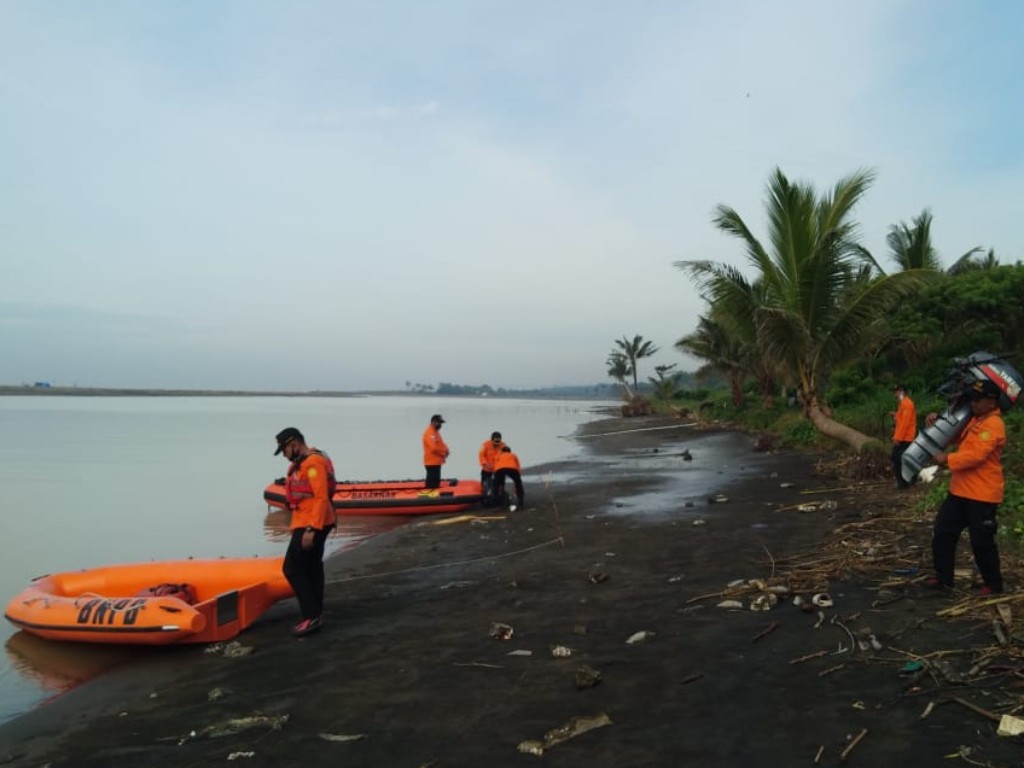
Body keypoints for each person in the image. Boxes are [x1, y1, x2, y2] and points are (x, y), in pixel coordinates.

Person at [927, 379, 1007, 594]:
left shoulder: (994, 425)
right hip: (960, 490)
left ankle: (993, 583)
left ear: (991, 402)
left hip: (982, 494)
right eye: (972, 398)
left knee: (981, 541)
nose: (973, 402)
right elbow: (956, 438)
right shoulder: (975, 421)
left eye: (978, 399)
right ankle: (944, 579)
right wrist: (937, 424)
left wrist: (946, 459)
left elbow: (976, 456)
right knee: (943, 531)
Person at [274, 427, 337, 636]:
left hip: (313, 522)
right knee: (312, 567)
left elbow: (321, 497)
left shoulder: (313, 463)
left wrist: (311, 528)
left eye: (284, 450)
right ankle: (315, 614)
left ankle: (311, 616)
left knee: (292, 569)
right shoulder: (302, 463)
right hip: (309, 520)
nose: (284, 455)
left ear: (294, 444)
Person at [890, 384, 917, 489]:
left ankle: (903, 483)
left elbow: (904, 424)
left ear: (901, 391)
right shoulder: (903, 404)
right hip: (904, 437)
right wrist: (895, 415)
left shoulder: (907, 404)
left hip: (905, 438)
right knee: (902, 459)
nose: (894, 394)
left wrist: (897, 438)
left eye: (896, 391)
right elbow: (902, 419)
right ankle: (910, 480)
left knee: (897, 459)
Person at [493, 445, 525, 510]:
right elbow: (518, 466)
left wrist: (497, 478)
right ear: (509, 451)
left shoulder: (498, 456)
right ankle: (520, 503)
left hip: (499, 469)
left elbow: (495, 466)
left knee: (497, 486)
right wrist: (517, 478)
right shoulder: (513, 455)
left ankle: (497, 504)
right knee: (518, 484)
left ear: (502, 451)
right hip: (512, 469)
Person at [422, 414, 449, 489]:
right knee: (431, 484)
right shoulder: (429, 433)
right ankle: (429, 499)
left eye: (441, 423)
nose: (440, 425)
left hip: (436, 462)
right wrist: (443, 452)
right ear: (433, 422)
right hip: (431, 462)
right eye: (439, 423)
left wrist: (446, 450)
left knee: (436, 483)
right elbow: (433, 448)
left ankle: (435, 497)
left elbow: (441, 443)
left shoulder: (435, 432)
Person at [478, 431, 506, 504]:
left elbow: (506, 456)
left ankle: (500, 497)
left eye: (498, 441)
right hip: (487, 469)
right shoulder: (485, 445)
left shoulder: (503, 446)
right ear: (492, 439)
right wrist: (486, 464)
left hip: (498, 469)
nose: (497, 443)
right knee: (486, 485)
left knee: (500, 484)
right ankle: (485, 499)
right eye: (495, 441)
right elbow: (481, 456)